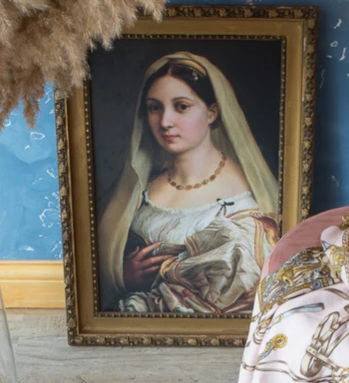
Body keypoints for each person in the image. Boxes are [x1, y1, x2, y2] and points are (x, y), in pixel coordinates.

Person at [98, 52, 281, 313]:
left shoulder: (245, 197)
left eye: (182, 107)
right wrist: (123, 276)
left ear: (212, 112)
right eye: (154, 107)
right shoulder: (139, 186)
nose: (165, 122)